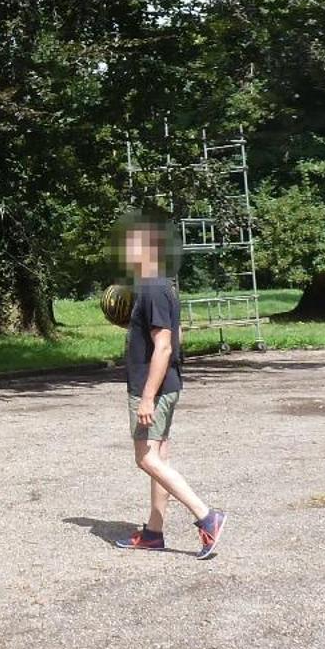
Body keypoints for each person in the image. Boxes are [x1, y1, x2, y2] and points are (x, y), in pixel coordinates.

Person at [114, 217, 228, 558]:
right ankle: (153, 532)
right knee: (160, 457)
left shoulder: (152, 289)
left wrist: (148, 395)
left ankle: (207, 517)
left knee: (146, 459)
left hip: (154, 389)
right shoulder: (160, 287)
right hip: (166, 384)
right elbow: (177, 336)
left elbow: (164, 345)